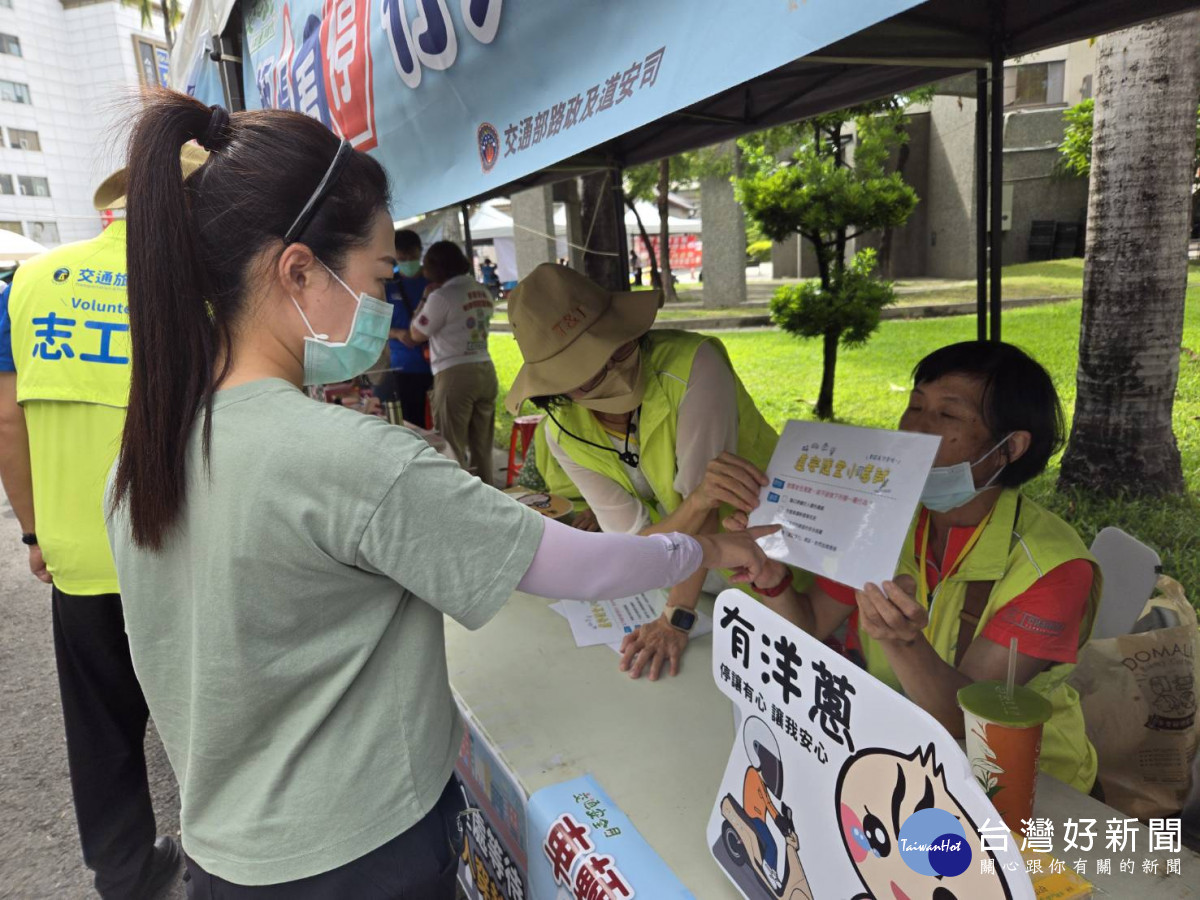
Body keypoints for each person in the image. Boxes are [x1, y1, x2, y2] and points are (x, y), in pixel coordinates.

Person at [104, 90, 777, 898]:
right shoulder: (346, 456)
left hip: (228, 854)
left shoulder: (148, 449)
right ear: (297, 269)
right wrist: (702, 545)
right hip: (358, 855)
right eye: (381, 274)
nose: (389, 304)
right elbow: (571, 566)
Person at [726, 341, 1101, 794]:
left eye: (947, 415)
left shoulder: (1053, 567)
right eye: (915, 405)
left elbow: (965, 722)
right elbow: (810, 624)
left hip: (1022, 783)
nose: (916, 428)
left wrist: (900, 641)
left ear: (1010, 447)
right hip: (896, 753)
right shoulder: (887, 518)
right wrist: (772, 580)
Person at [0, 150, 208, 898]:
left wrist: (33, 532)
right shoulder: (200, 286)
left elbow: (5, 419)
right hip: (186, 546)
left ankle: (123, 873)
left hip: (78, 554)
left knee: (100, 729)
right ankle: (226, 865)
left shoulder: (27, 283)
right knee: (208, 716)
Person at [505, 263, 791, 682]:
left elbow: (704, 514)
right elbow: (636, 545)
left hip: (774, 555)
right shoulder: (562, 436)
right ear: (557, 389)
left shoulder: (695, 365)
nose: (615, 374)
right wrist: (695, 503)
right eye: (589, 376)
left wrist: (677, 617)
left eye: (620, 350)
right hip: (693, 578)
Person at [405, 240, 498, 485]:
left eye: (426, 266)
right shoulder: (482, 290)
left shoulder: (441, 296)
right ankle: (490, 494)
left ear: (437, 268)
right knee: (482, 446)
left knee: (452, 446)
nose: (423, 272)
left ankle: (462, 501)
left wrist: (424, 299)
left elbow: (415, 335)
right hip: (485, 368)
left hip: (454, 372)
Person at [374, 229, 433, 426]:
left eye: (412, 256)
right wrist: (397, 333)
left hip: (436, 364)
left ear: (420, 252)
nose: (407, 261)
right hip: (403, 367)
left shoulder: (433, 282)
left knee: (439, 422)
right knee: (412, 423)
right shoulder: (388, 285)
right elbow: (374, 325)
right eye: (402, 257)